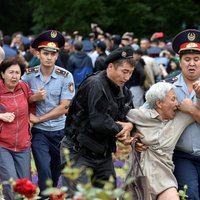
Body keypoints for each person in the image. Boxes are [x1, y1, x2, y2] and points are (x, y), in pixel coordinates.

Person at [60, 46, 136, 197]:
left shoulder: (123, 90)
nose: (127, 77)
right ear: (110, 67)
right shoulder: (95, 84)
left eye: (130, 73)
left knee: (108, 195)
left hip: (102, 154)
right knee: (80, 197)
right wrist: (122, 130)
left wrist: (130, 126)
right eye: (124, 72)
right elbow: (99, 121)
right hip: (78, 152)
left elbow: (129, 115)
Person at [121, 81, 200, 200]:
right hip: (139, 177)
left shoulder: (180, 118)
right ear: (159, 103)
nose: (177, 103)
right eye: (173, 99)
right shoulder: (139, 115)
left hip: (164, 178)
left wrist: (198, 96)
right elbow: (117, 120)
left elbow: (196, 110)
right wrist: (131, 128)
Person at [21, 30, 75, 199]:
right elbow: (18, 98)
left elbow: (64, 107)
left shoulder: (65, 76)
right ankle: (45, 196)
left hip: (59, 131)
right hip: (39, 132)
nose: (49, 57)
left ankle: (49, 194)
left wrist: (40, 118)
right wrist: (33, 98)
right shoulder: (29, 76)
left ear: (57, 56)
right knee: (43, 169)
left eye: (53, 54)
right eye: (45, 53)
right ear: (38, 53)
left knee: (55, 171)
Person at [0, 56, 35, 199]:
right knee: (11, 183)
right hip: (3, 144)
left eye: (17, 72)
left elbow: (32, 105)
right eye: (10, 72)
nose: (14, 76)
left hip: (23, 144)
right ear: (2, 74)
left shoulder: (24, 88)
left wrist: (30, 122)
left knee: (26, 185)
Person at [171, 29, 200, 200]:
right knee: (191, 195)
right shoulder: (168, 86)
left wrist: (191, 110)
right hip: (182, 156)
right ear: (180, 61)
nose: (192, 63)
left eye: (197, 59)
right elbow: (148, 113)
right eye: (187, 59)